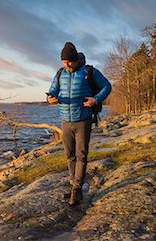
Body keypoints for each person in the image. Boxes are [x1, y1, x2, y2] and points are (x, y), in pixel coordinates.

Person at [47, 42, 111, 206]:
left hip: (83, 119)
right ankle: (73, 184)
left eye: (69, 62)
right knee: (69, 155)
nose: (66, 65)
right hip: (65, 120)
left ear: (76, 60)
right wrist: (50, 98)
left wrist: (95, 99)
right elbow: (53, 90)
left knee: (81, 155)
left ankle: (77, 190)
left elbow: (107, 86)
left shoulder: (89, 71)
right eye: (63, 62)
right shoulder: (60, 73)